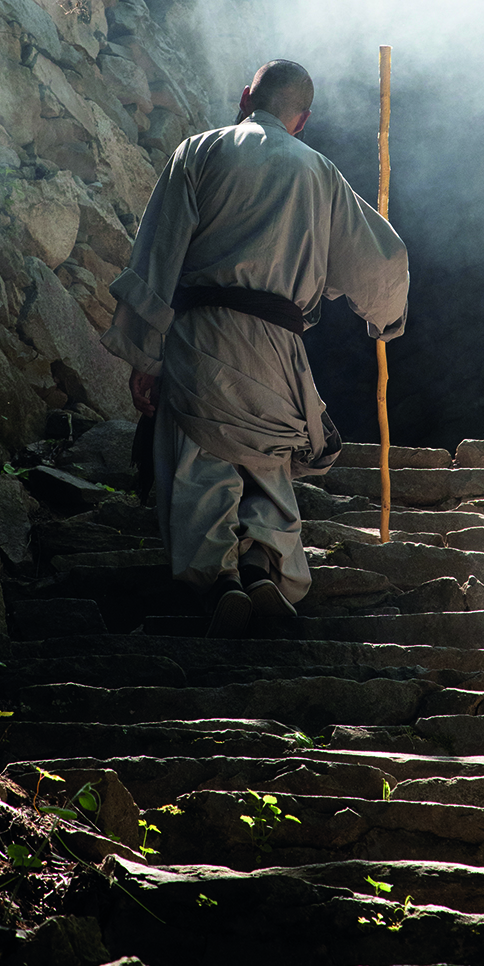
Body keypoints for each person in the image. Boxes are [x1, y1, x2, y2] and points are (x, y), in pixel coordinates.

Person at [101, 58, 409, 636]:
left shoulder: (200, 150)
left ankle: (218, 579)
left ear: (246, 95)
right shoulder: (320, 173)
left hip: (202, 335)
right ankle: (262, 561)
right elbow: (384, 258)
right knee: (267, 457)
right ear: (303, 118)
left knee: (203, 455)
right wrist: (384, 320)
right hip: (278, 347)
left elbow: (157, 257)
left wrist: (146, 357)